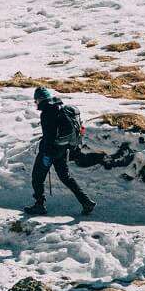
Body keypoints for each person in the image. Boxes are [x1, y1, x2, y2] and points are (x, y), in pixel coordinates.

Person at [24, 87, 95, 216]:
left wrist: (46, 154)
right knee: (65, 177)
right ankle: (86, 202)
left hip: (50, 151)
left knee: (37, 177)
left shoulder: (47, 112)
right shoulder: (60, 108)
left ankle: (39, 205)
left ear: (40, 99)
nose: (36, 103)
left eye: (36, 101)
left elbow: (50, 135)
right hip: (63, 148)